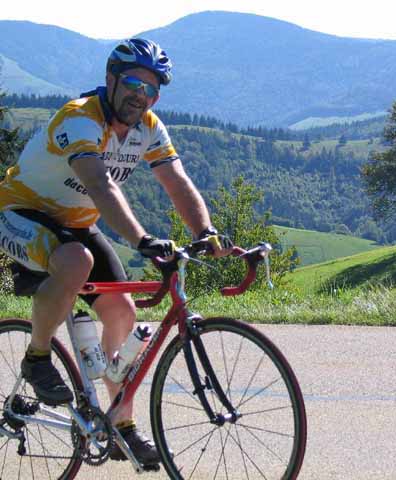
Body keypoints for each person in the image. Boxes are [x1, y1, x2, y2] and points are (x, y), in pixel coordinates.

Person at [0, 38, 232, 467]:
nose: (139, 96)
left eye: (150, 90)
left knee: (123, 313)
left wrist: (207, 232)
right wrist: (143, 239)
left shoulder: (148, 126)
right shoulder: (80, 118)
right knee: (76, 261)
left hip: (76, 223)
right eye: (131, 84)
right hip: (19, 210)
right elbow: (100, 186)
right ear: (110, 79)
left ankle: (120, 423)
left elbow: (177, 182)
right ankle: (36, 357)